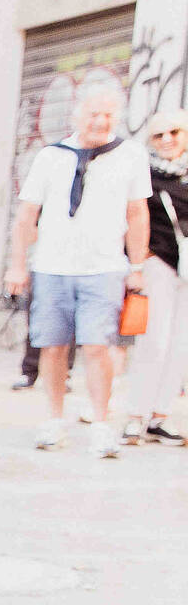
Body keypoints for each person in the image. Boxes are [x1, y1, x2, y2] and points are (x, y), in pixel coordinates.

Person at [3, 85, 150, 458]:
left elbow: (137, 213)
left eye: (108, 115)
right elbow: (26, 215)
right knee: (52, 347)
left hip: (104, 268)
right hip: (52, 266)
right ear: (76, 114)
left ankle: (101, 424)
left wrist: (136, 267)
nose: (100, 121)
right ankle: (54, 420)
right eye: (93, 114)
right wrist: (18, 264)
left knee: (99, 347)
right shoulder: (51, 156)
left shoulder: (130, 155)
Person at [126, 109, 188, 445]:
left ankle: (160, 416)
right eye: (159, 135)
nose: (167, 140)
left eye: (174, 132)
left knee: (181, 345)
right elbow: (131, 215)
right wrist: (137, 259)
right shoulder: (144, 174)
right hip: (159, 263)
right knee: (154, 341)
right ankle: (136, 414)